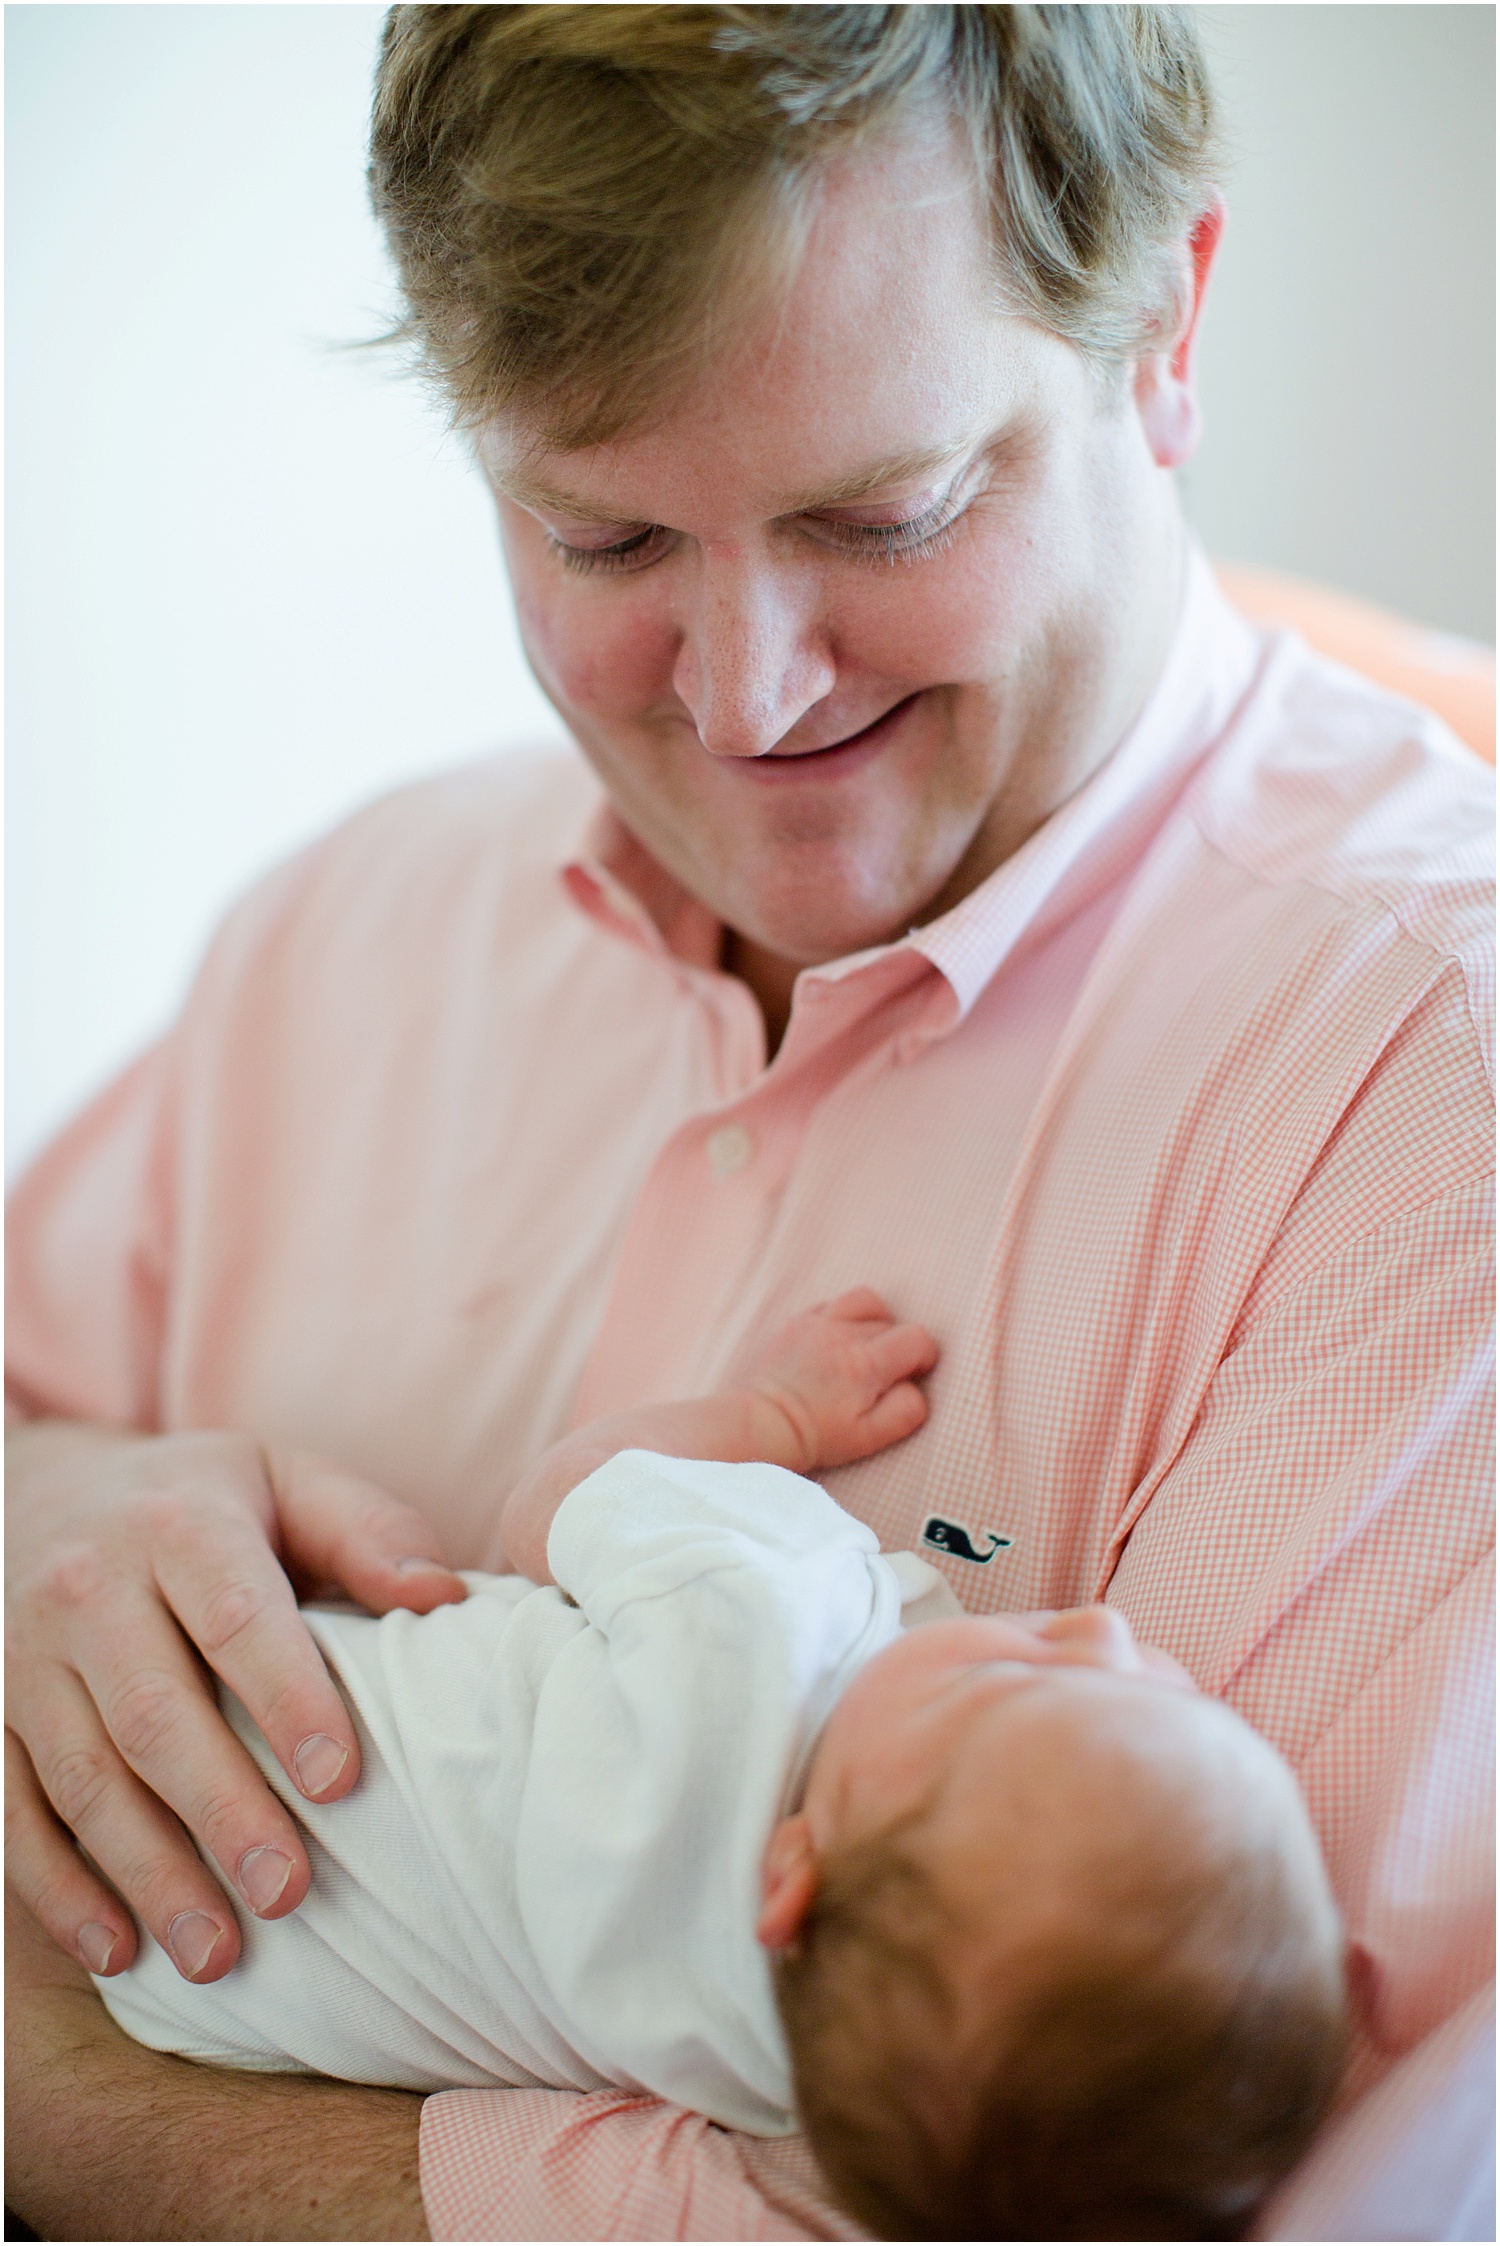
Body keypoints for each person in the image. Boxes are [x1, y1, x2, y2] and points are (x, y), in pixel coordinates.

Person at [5, 8, 1491, 2240]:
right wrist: (57, 1510)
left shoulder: (1432, 1112)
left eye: (879, 514)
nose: (747, 695)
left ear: (1168, 323)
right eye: (602, 540)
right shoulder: (348, 925)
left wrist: (65, 2108)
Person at [94, 1294, 1346, 2243]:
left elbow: (561, 1498)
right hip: (182, 2000)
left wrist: (779, 1422)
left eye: (1013, 1684)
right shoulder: (784, 2083)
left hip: (192, 1712)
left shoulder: (761, 1622)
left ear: (793, 1871)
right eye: (1167, 1689)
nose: (1103, 1628)